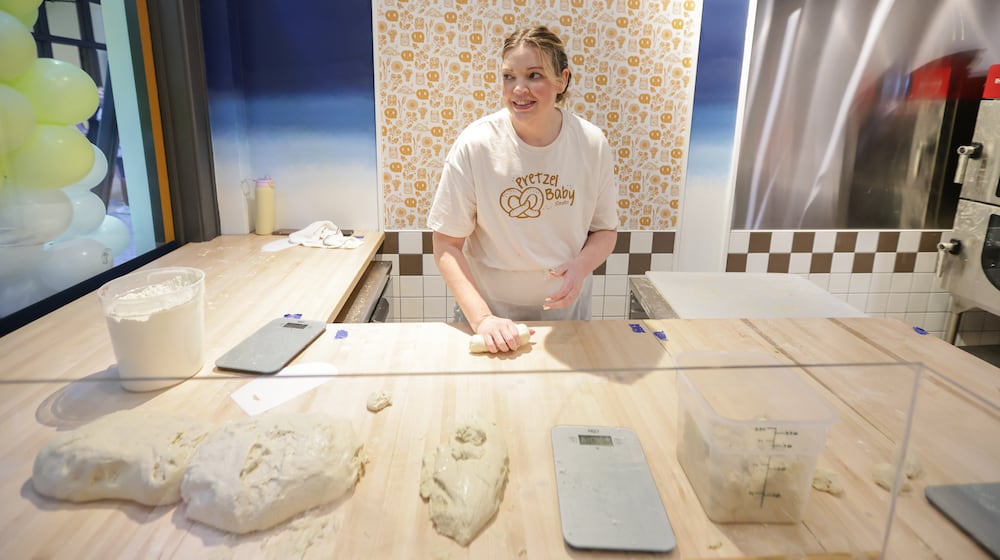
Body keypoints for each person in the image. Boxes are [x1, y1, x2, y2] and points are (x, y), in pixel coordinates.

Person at [427, 25, 618, 354]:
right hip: (490, 318)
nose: (518, 89)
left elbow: (605, 231)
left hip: (566, 317)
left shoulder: (591, 144)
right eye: (508, 77)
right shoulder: (477, 144)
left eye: (534, 75)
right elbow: (446, 243)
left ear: (563, 80)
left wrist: (581, 266)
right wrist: (483, 319)